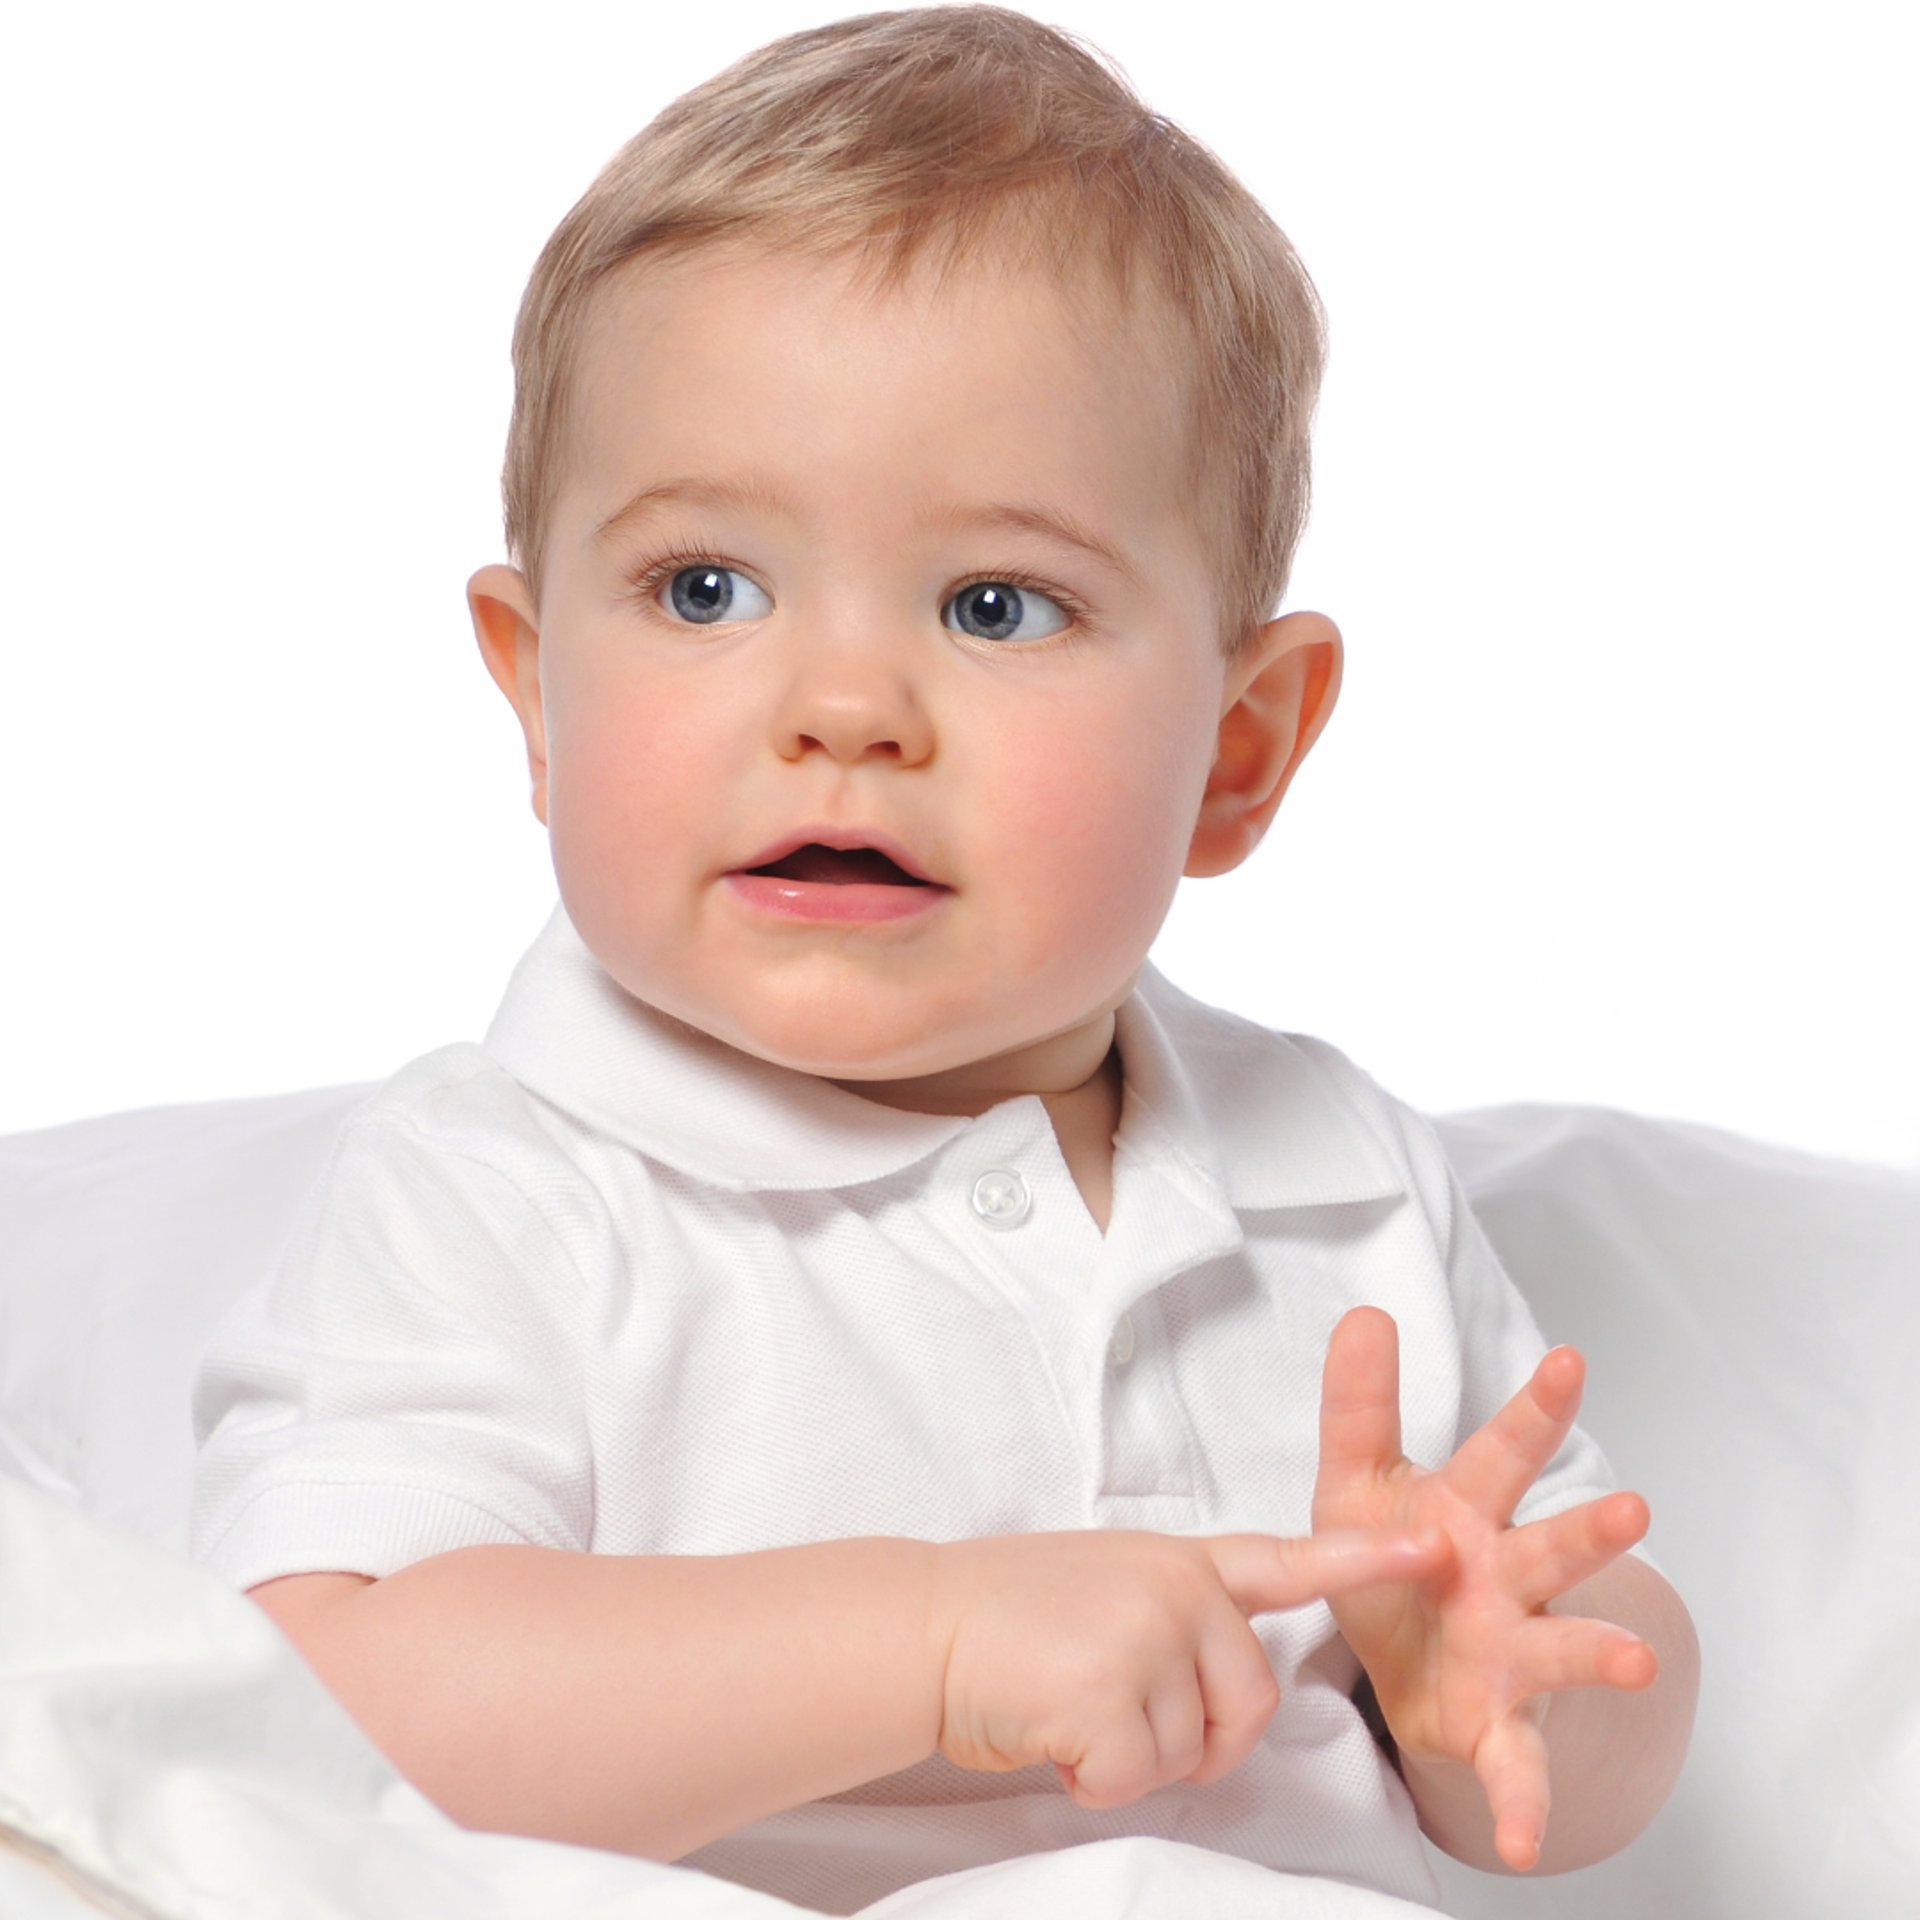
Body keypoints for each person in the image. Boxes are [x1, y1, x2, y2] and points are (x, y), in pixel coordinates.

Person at [187, 7, 1699, 1912]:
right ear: (537, 697)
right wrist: (931, 1641)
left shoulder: (1340, 1185)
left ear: (1237, 754)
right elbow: (326, 1718)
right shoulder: (505, 1191)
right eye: (704, 587)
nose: (843, 706)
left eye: (997, 605)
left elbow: (1574, 1754)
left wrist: (1482, 1683)